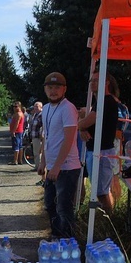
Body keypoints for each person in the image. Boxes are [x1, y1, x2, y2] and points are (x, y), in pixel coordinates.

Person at [37, 72, 82, 239]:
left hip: (67, 167)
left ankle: (68, 242)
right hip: (53, 167)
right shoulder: (46, 109)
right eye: (50, 87)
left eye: (57, 87)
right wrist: (43, 162)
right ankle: (56, 236)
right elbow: (46, 137)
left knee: (64, 207)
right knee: (49, 204)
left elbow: (69, 139)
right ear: (45, 89)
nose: (53, 91)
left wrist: (56, 167)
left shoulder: (68, 108)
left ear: (64, 89)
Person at [78, 71, 119, 214]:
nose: (92, 83)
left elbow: (87, 121)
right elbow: (87, 123)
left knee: (101, 191)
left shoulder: (106, 101)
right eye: (91, 81)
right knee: (100, 189)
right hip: (96, 150)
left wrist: (80, 125)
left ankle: (109, 220)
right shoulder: (100, 101)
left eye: (96, 80)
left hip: (101, 152)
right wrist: (83, 128)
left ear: (106, 82)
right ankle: (106, 218)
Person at [30, 101, 45, 185]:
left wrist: (41, 136)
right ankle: (37, 166)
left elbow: (43, 126)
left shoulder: (41, 114)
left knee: (39, 153)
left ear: (41, 107)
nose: (35, 108)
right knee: (36, 153)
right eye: (34, 106)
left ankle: (40, 167)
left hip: (39, 137)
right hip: (34, 136)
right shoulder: (35, 115)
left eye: (37, 106)